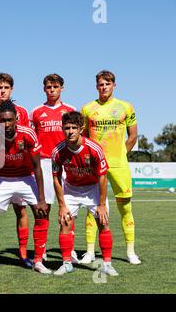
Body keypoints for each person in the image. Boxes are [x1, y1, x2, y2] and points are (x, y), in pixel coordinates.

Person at [0, 100, 50, 274]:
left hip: (25, 177)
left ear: (16, 119)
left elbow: (37, 167)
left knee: (41, 211)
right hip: (0, 177)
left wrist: (41, 199)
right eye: (2, 120)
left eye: (9, 120)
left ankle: (39, 260)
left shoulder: (28, 133)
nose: (6, 124)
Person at [81, 70, 140, 265]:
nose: (104, 87)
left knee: (126, 207)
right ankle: (90, 251)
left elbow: (132, 136)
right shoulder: (87, 109)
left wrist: (120, 154)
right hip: (95, 165)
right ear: (96, 86)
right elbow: (84, 137)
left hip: (119, 165)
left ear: (114, 85)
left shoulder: (126, 107)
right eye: (100, 84)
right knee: (93, 209)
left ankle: (130, 251)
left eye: (107, 83)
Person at [52, 111, 118, 276]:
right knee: (65, 223)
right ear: (62, 129)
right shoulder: (58, 151)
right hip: (71, 189)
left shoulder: (94, 149)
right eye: (67, 128)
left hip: (93, 188)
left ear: (81, 129)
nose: (71, 131)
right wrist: (61, 205)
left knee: (103, 223)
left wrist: (102, 204)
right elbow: (56, 178)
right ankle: (67, 263)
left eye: (74, 127)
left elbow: (103, 177)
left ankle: (107, 264)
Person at [29, 74, 78, 264]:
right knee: (44, 207)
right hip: (44, 163)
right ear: (44, 89)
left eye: (55, 86)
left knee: (69, 207)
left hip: (67, 162)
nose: (52, 89)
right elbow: (33, 138)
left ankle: (69, 249)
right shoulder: (36, 111)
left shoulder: (70, 109)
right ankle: (42, 250)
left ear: (62, 88)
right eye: (48, 86)